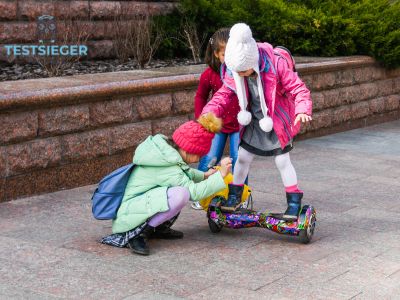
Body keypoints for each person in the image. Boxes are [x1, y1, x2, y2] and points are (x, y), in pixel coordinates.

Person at [202, 23, 312, 218]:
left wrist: (302, 108)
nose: (240, 75)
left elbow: (298, 88)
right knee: (242, 157)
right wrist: (209, 112)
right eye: (237, 72)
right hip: (253, 121)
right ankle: (235, 196)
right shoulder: (234, 68)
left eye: (244, 71)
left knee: (282, 160)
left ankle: (294, 201)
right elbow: (224, 94)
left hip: (276, 119)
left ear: (252, 63)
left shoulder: (275, 64)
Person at [101, 113, 232, 256]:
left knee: (178, 191)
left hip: (133, 207)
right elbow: (193, 192)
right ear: (187, 149)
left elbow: (184, 172)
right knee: (181, 194)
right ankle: (140, 234)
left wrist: (204, 175)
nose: (198, 159)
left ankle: (159, 228)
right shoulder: (169, 167)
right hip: (129, 217)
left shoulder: (166, 154)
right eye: (198, 155)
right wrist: (220, 175)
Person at [191, 27, 244, 210]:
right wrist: (201, 118)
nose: (228, 58)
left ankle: (239, 195)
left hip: (240, 125)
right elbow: (200, 96)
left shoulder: (242, 72)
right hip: (217, 125)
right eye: (224, 54)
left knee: (240, 159)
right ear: (216, 54)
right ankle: (202, 193)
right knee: (210, 158)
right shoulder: (209, 74)